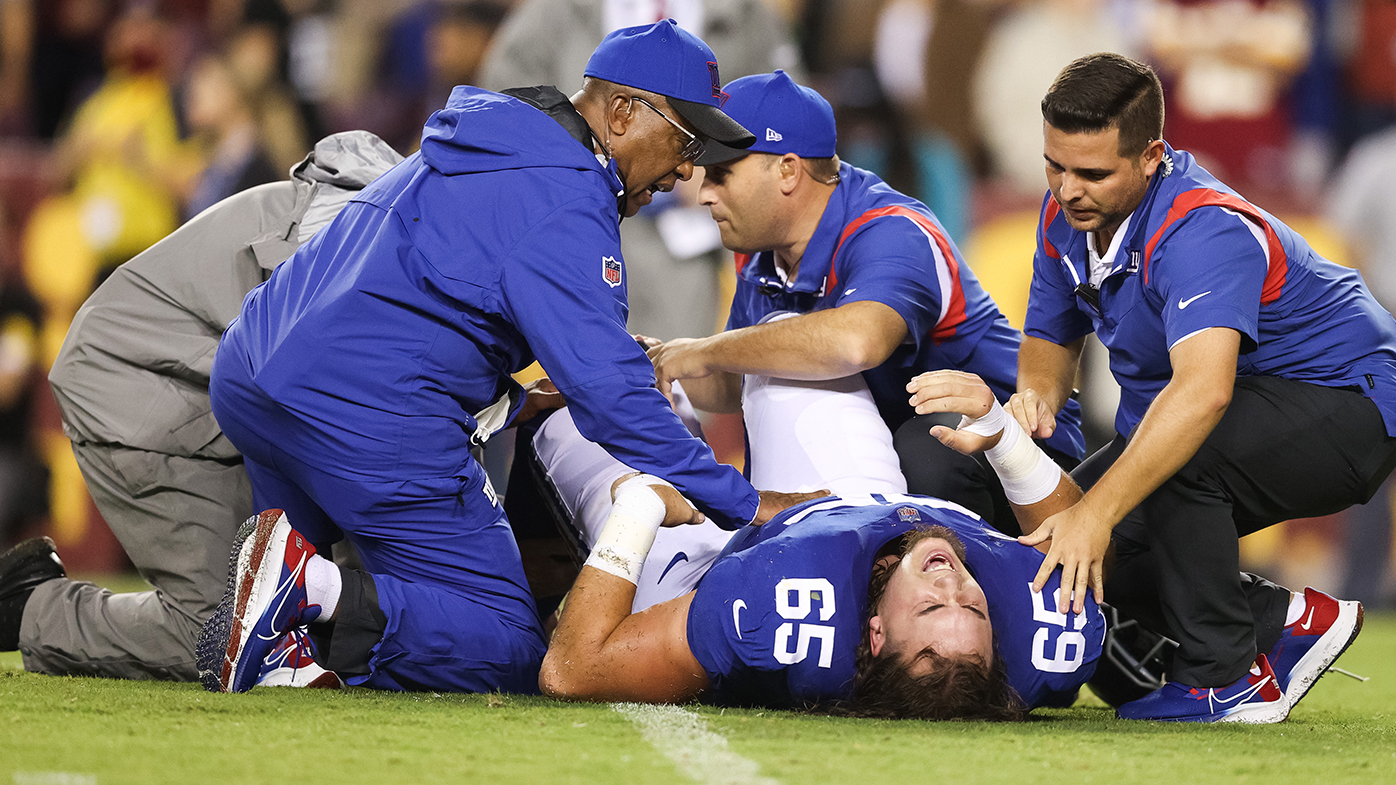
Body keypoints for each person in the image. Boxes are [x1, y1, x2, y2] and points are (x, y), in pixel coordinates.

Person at [199, 21, 819, 696]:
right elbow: (615, 397)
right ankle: (307, 586)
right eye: (685, 140)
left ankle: (290, 610)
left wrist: (516, 398)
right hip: (357, 413)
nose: (686, 171)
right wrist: (745, 502)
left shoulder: (498, 136)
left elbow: (414, 299)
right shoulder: (567, 193)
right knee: (507, 643)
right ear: (621, 112)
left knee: (288, 608)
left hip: (253, 374)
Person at [539, 369, 1359, 722]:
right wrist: (1003, 434)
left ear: (872, 633)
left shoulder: (778, 609)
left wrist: (641, 508)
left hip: (702, 561)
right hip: (859, 503)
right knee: (799, 353)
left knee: (579, 407)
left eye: (933, 608)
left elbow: (573, 672)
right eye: (974, 607)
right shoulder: (1036, 630)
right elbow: (1074, 531)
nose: (955, 582)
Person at [1008, 53, 1394, 721]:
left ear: (1151, 156)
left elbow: (1201, 396)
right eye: (1055, 166)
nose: (1067, 190)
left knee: (1160, 464)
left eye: (1092, 173)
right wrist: (1036, 396)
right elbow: (1049, 338)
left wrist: (1096, 517)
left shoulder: (1201, 229)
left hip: (1354, 400)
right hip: (1251, 404)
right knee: (1067, 545)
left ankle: (1226, 677)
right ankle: (1283, 622)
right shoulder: (1065, 216)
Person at [0, 131, 403, 685]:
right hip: (139, 383)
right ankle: (29, 610)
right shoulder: (359, 236)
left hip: (196, 379)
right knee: (229, 633)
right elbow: (322, 399)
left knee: (290, 612)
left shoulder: (384, 212)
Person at [648, 71, 1086, 531]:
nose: (704, 194)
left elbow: (858, 343)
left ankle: (979, 578)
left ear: (788, 170)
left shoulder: (893, 228)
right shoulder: (760, 251)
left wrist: (704, 351)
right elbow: (735, 383)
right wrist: (656, 365)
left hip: (1020, 450)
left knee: (925, 448)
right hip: (893, 450)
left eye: (721, 175)